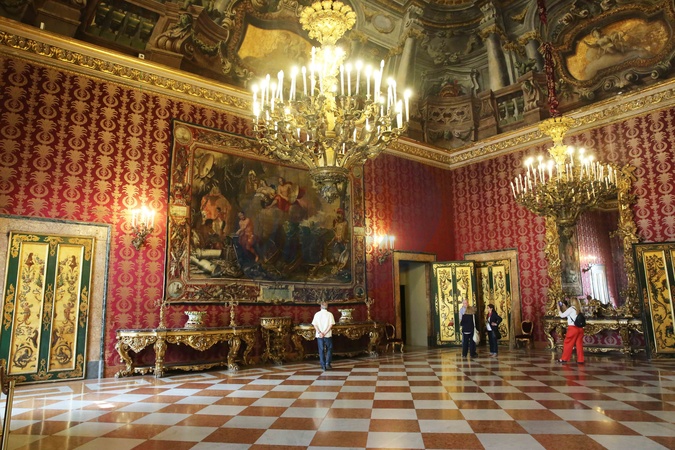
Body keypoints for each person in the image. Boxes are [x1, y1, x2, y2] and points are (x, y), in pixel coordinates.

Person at [557, 298, 585, 364]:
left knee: (567, 343)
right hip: (580, 329)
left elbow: (562, 315)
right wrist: (565, 308)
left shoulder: (571, 308)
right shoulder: (579, 309)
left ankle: (564, 359)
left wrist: (558, 308)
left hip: (573, 329)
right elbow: (571, 315)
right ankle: (580, 360)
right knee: (579, 344)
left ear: (572, 302)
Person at [312, 301, 335, 370]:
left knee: (321, 349)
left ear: (320, 307)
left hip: (319, 335)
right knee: (329, 348)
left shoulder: (317, 314)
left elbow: (315, 324)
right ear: (327, 307)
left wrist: (320, 333)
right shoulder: (330, 314)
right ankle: (328, 363)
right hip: (327, 335)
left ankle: (323, 365)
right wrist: (324, 333)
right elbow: (331, 325)